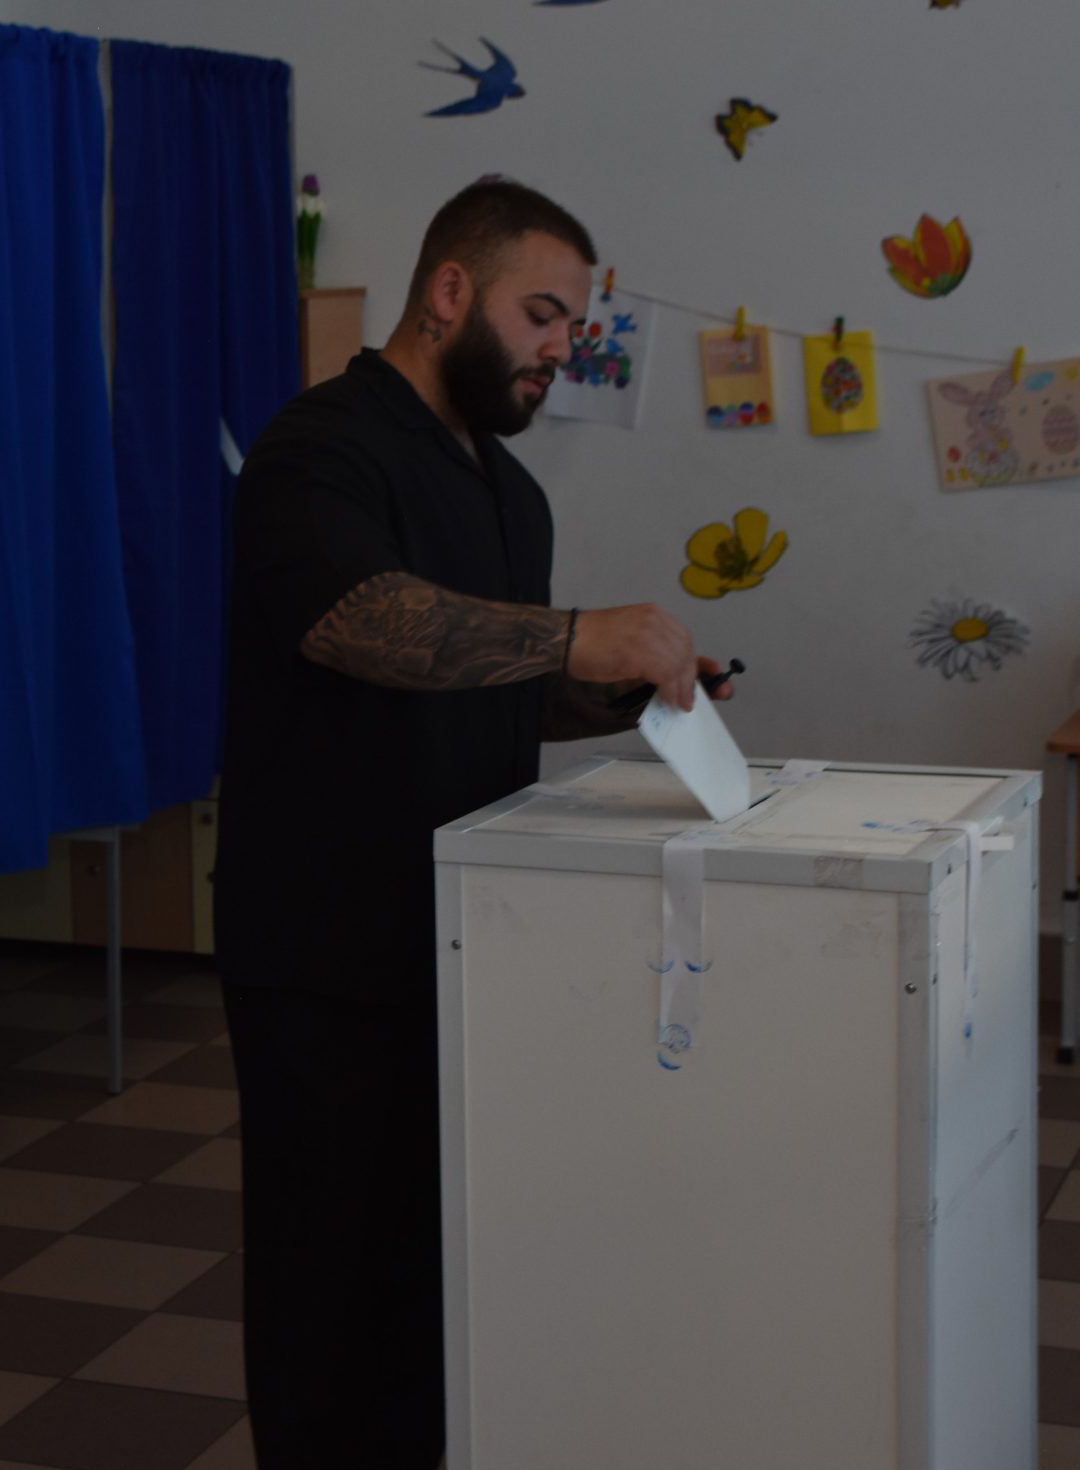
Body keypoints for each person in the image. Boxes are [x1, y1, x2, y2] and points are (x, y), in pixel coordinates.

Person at [213, 179, 735, 1467]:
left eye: (574, 327)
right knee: (329, 1281)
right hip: (328, 949)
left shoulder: (511, 491)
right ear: (450, 291)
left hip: (467, 934)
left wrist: (609, 694)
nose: (563, 348)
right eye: (542, 314)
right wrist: (573, 634)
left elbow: (484, 677)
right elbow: (358, 622)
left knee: (436, 1267)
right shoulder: (318, 447)